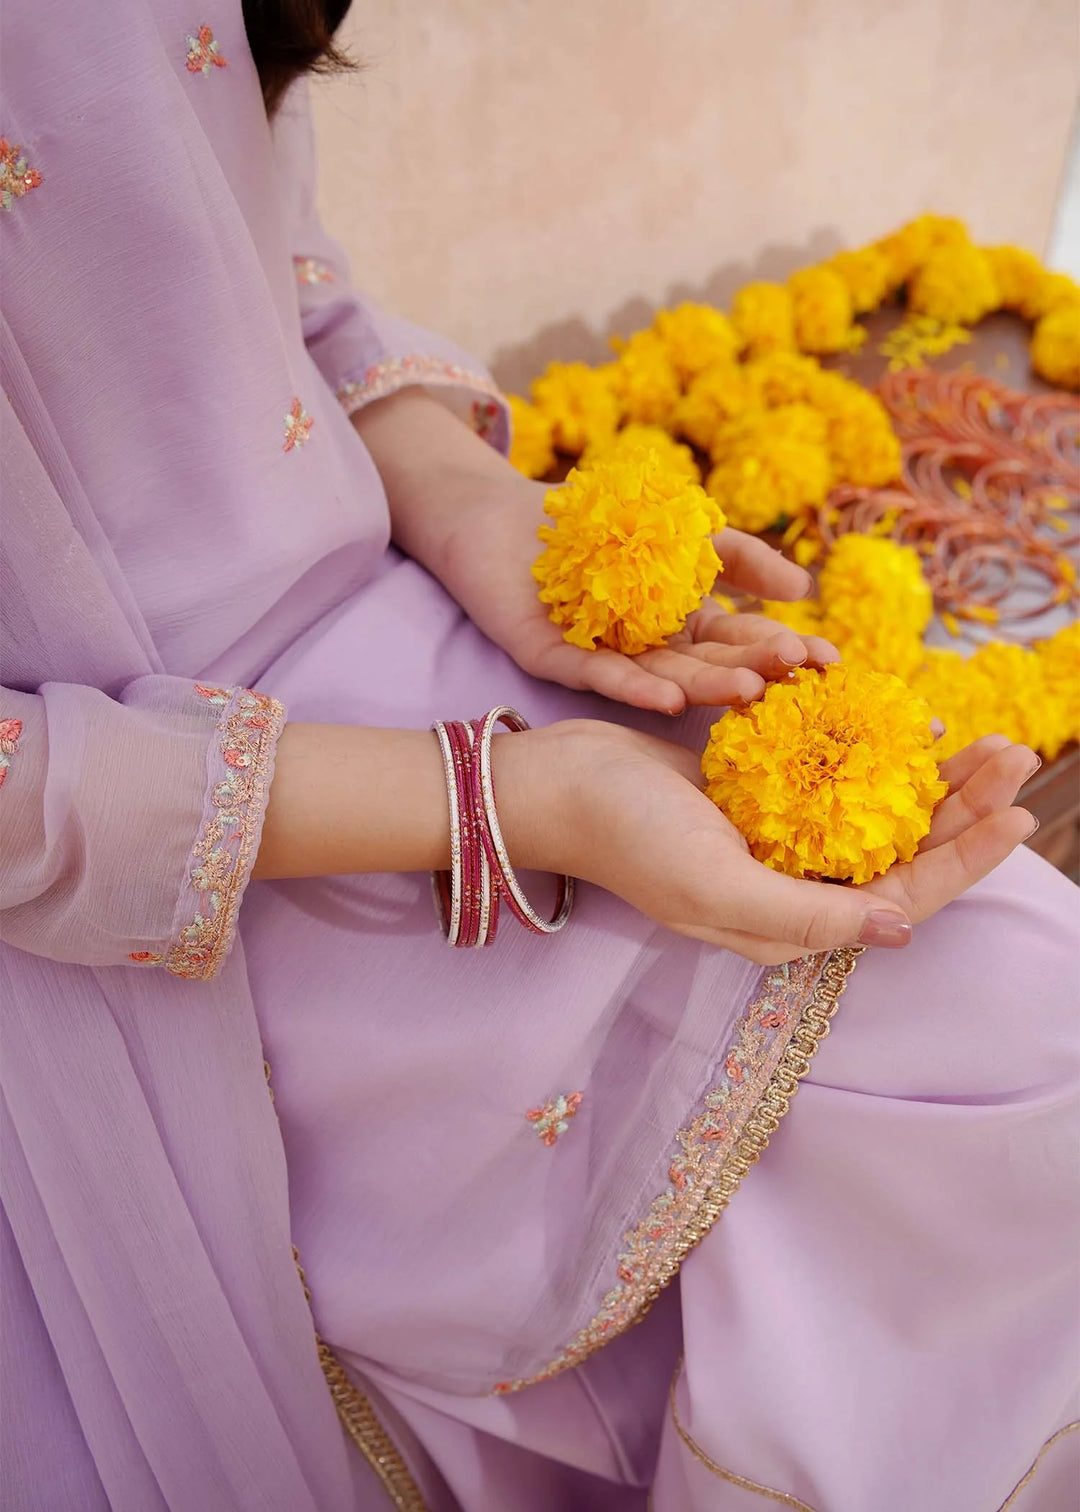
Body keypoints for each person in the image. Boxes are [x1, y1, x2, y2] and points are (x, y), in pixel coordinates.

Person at [1, 3, 1076, 1508]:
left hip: (411, 643)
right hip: (147, 873)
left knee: (1027, 1017)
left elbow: (269, 261)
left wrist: (488, 514)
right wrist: (512, 801)